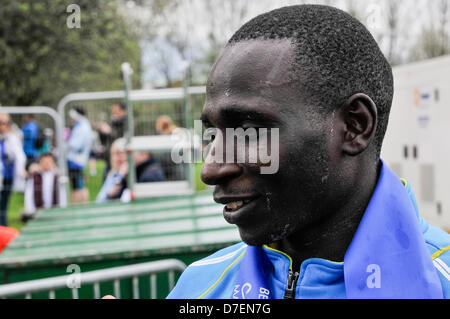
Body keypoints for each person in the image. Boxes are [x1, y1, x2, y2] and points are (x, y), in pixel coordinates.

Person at [166, 5, 450, 299]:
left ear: (355, 126)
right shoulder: (199, 287)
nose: (210, 170)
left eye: (250, 130)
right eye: (213, 133)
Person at [0, 113, 26, 227]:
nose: (3, 126)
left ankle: (3, 227)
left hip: (7, 176)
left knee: (3, 204)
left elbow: (20, 156)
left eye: (5, 123)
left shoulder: (12, 138)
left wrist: (21, 170)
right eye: (1, 123)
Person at [23, 153, 66, 221]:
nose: (47, 164)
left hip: (55, 212)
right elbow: (28, 195)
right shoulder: (34, 177)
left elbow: (63, 195)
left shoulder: (57, 177)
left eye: (49, 162)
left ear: (53, 163)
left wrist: (63, 209)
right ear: (40, 163)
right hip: (38, 212)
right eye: (44, 162)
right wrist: (30, 210)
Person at [67, 107, 92, 204]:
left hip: (76, 160)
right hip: (77, 159)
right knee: (78, 184)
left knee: (78, 185)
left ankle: (79, 204)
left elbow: (76, 144)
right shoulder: (82, 125)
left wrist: (67, 143)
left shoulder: (83, 127)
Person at [98, 102, 127, 181]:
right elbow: (105, 140)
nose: (114, 113)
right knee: (107, 178)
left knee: (114, 179)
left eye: (116, 111)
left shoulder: (126, 122)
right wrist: (101, 132)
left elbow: (121, 139)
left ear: (123, 111)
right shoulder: (113, 121)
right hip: (110, 155)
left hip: (119, 156)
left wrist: (109, 132)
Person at [95, 138, 127, 203]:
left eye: (120, 153)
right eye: (114, 154)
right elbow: (99, 200)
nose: (117, 158)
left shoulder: (131, 174)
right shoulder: (113, 174)